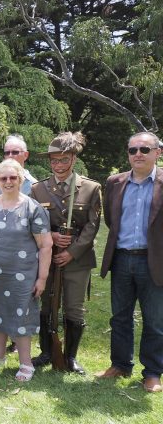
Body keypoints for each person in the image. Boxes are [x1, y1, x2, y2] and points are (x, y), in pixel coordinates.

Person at [0, 159, 52, 382]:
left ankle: (26, 363)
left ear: (21, 179)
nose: (8, 181)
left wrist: (42, 278)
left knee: (21, 317)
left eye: (13, 177)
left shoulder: (32, 208)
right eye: (3, 178)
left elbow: (46, 245)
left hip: (22, 275)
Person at [30, 132, 102, 374]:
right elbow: (30, 222)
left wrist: (72, 252)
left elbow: (92, 226)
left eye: (64, 160)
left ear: (73, 159)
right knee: (46, 305)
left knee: (74, 307)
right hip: (47, 257)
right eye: (54, 160)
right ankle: (46, 352)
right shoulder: (38, 189)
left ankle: (70, 357)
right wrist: (50, 236)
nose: (58, 165)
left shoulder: (90, 188)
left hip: (78, 259)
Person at [97, 131, 163, 393]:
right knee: (120, 318)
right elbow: (111, 220)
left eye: (144, 149)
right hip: (122, 259)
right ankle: (120, 365)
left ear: (157, 152)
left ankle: (153, 373)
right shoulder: (114, 182)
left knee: (155, 320)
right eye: (133, 149)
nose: (138, 154)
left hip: (154, 261)